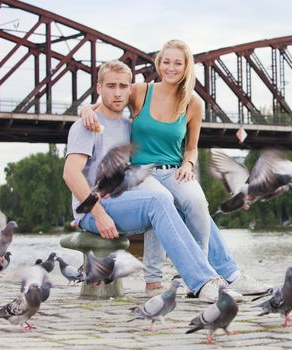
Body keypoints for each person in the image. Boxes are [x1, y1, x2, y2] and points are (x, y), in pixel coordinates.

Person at [64, 60, 268, 302]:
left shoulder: (128, 125)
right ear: (99, 87)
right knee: (159, 199)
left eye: (122, 86)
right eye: (110, 86)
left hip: (123, 202)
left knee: (189, 202)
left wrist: (187, 164)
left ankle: (229, 272)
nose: (117, 93)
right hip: (93, 211)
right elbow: (70, 174)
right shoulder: (87, 126)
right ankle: (203, 282)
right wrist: (98, 214)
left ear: (131, 89)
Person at [82, 40, 210, 256]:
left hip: (174, 172)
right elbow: (110, 98)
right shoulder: (141, 91)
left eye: (178, 63)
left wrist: (188, 164)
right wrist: (87, 108)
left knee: (198, 202)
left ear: (186, 66)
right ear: (159, 64)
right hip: (140, 172)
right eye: (166, 62)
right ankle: (154, 280)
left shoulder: (194, 103)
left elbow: (192, 148)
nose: (171, 68)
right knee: (160, 200)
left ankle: (201, 266)